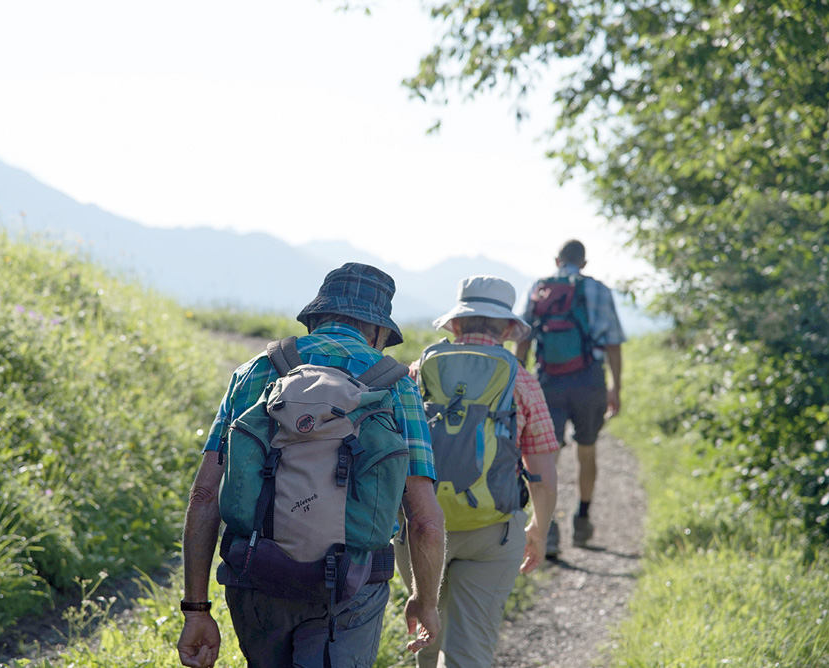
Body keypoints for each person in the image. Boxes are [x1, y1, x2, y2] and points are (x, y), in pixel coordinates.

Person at [177, 262, 446, 668]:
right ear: (378, 332)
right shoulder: (396, 386)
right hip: (351, 587)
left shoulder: (255, 371)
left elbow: (203, 496)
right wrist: (424, 602)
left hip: (256, 573)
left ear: (315, 318)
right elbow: (424, 521)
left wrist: (196, 609)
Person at [396, 275, 558, 668]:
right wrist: (538, 528)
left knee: (428, 633)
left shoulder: (418, 373)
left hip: (418, 526)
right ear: (505, 329)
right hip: (493, 528)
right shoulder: (521, 380)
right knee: (468, 653)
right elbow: (543, 470)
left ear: (454, 325)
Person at [515, 239, 625, 557]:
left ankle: (546, 530)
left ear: (557, 259)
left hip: (547, 382)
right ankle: (582, 519)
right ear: (585, 262)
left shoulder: (539, 287)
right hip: (589, 380)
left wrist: (516, 381)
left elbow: (523, 339)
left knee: (546, 455)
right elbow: (614, 343)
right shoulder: (598, 290)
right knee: (586, 449)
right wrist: (615, 388)